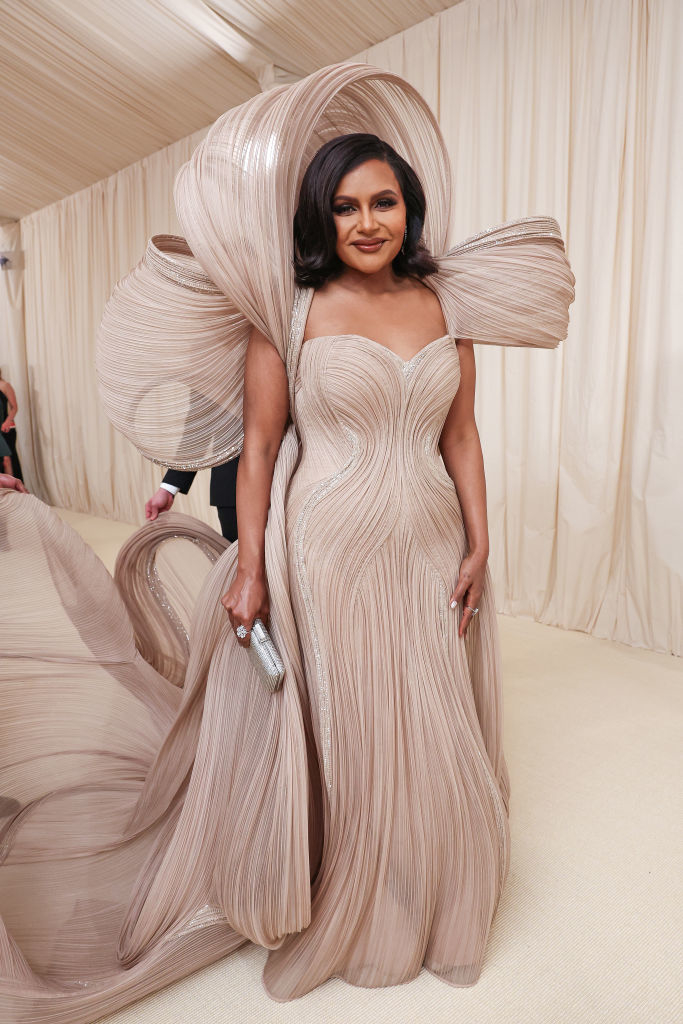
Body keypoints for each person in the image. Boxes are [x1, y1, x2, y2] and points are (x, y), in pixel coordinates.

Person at [0, 63, 574, 1023]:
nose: (366, 222)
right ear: (320, 219)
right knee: (351, 725)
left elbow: (461, 436)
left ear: (410, 208)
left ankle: (432, 880)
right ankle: (360, 887)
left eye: (383, 201)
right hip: (328, 545)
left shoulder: (448, 309)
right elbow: (260, 448)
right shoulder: (288, 316)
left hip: (428, 537)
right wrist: (254, 564)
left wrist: (481, 542)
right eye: (345, 207)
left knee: (429, 710)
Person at [145, 457, 240, 540]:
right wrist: (168, 489)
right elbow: (198, 437)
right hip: (231, 486)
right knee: (236, 558)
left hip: (232, 488)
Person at [0, 368, 23, 481]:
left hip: (6, 429)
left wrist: (7, 422)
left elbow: (14, 407)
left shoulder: (5, 385)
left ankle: (15, 492)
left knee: (8, 460)